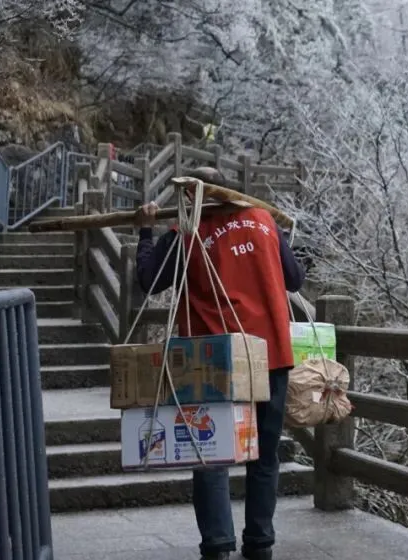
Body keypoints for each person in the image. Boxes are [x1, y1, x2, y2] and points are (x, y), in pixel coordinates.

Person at [134, 166, 305, 560]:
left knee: (210, 453)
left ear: (189, 197)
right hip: (270, 353)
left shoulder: (186, 230)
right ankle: (260, 543)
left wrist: (145, 232)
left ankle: (217, 546)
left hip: (213, 356)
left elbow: (149, 280)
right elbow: (295, 279)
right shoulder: (264, 221)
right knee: (265, 454)